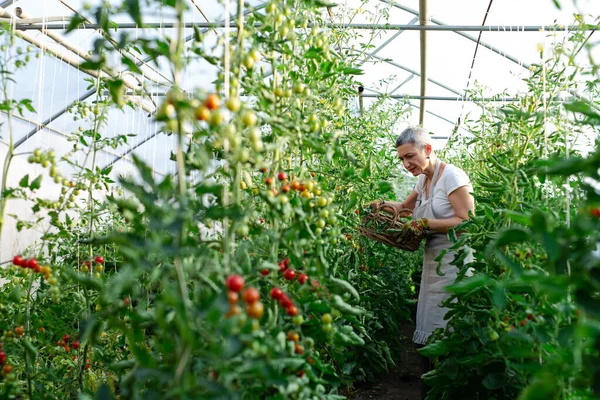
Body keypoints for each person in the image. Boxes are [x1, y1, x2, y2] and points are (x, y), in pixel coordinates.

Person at [378, 126, 474, 399]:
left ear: (428, 150)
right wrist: (384, 206)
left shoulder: (452, 177)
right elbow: (404, 208)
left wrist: (426, 223)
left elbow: (467, 221)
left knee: (448, 327)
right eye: (402, 159)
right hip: (433, 263)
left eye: (410, 156)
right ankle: (431, 389)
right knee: (430, 327)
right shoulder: (423, 182)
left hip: (456, 264)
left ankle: (447, 388)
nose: (407, 164)